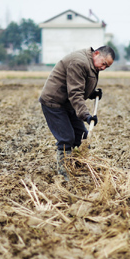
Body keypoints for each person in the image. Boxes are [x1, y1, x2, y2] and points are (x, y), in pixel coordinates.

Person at [39, 45, 115, 180]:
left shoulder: (91, 63)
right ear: (96, 53)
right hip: (54, 102)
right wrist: (86, 115)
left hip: (67, 103)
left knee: (82, 136)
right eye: (103, 64)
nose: (103, 68)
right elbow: (75, 93)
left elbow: (80, 84)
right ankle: (64, 171)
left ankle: (76, 164)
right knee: (66, 138)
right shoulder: (79, 62)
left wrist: (91, 93)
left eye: (106, 67)